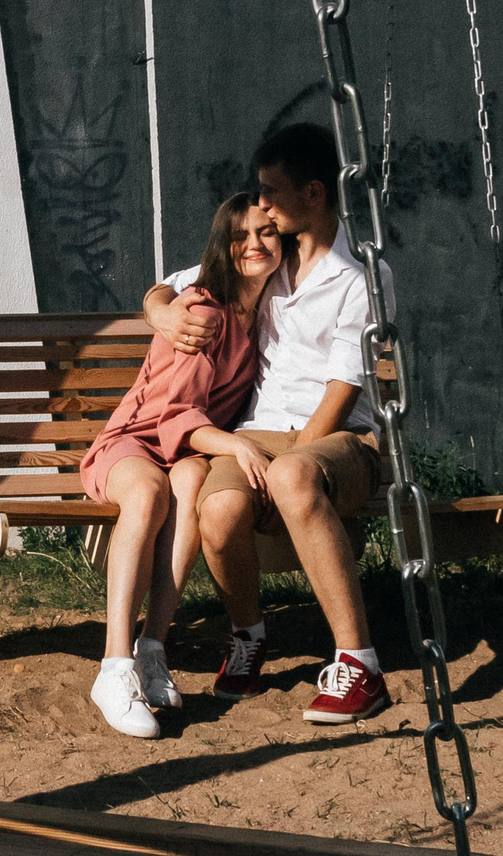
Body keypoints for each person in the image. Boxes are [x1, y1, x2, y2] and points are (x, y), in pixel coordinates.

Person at [141, 121, 395, 725]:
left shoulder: (360, 277)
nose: (260, 205)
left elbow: (342, 390)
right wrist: (162, 313)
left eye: (271, 192)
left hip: (340, 439)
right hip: (260, 433)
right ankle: (249, 636)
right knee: (219, 507)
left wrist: (287, 467)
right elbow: (171, 285)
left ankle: (361, 666)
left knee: (292, 479)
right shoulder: (267, 259)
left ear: (313, 193)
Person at [77, 193, 280, 739]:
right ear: (223, 246)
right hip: (137, 439)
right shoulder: (203, 313)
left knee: (190, 481)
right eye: (241, 237)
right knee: (149, 494)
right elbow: (172, 418)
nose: (256, 245)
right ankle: (114, 666)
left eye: (267, 232)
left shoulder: (259, 307)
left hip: (186, 451)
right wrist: (237, 445)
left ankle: (153, 649)